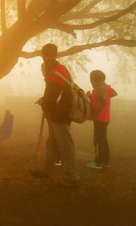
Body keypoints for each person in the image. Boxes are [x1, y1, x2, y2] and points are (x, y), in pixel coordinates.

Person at [32, 43, 80, 187]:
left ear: (43, 55)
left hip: (60, 113)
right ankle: (46, 171)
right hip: (58, 112)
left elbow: (52, 94)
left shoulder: (53, 71)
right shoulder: (60, 69)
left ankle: (72, 178)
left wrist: (45, 104)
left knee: (66, 146)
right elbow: (55, 91)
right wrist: (45, 101)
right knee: (52, 143)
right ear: (56, 54)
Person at [86, 70, 118, 169]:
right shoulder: (104, 88)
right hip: (104, 117)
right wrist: (91, 96)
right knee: (102, 139)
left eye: (91, 81)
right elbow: (99, 99)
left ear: (94, 80)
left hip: (99, 118)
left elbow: (101, 101)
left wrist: (93, 110)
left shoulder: (100, 89)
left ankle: (101, 162)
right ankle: (104, 161)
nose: (91, 83)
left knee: (99, 140)